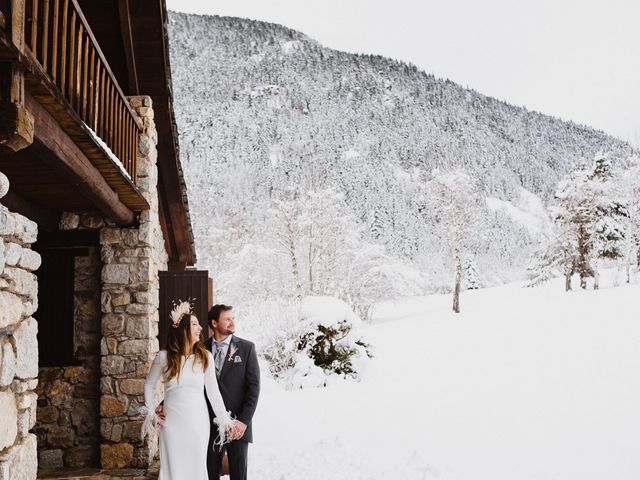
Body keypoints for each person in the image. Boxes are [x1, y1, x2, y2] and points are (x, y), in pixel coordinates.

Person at [143, 301, 235, 480]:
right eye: (194, 324)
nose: (200, 328)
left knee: (196, 467)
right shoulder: (164, 357)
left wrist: (225, 420)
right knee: (172, 469)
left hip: (198, 422)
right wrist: (151, 413)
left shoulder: (204, 357)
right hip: (171, 424)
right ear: (182, 328)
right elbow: (149, 384)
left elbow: (213, 393)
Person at [204, 304, 260, 480]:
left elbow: (254, 387)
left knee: (238, 475)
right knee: (210, 474)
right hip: (209, 425)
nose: (232, 322)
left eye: (232, 318)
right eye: (227, 319)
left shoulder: (246, 348)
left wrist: (243, 421)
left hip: (237, 426)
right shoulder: (201, 349)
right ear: (214, 323)